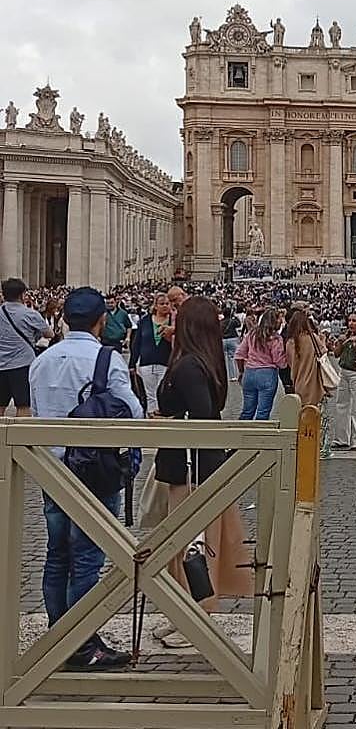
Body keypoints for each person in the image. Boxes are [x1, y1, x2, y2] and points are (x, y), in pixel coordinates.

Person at [28, 286, 143, 669]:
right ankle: (82, 643)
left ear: (63, 319)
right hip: (94, 471)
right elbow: (133, 414)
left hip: (51, 469)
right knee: (88, 558)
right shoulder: (105, 359)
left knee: (57, 554)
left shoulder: (41, 361)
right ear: (101, 321)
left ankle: (60, 633)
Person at [152, 296, 254, 648]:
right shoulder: (196, 362)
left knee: (195, 545)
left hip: (192, 465)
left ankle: (198, 615)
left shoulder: (192, 366)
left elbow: (203, 416)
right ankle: (183, 611)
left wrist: (168, 418)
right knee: (181, 544)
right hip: (187, 462)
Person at [284, 307, 334, 457]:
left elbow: (290, 364)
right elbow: (324, 352)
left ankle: (304, 442)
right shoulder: (312, 339)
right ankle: (321, 448)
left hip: (299, 383)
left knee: (303, 416)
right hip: (315, 384)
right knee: (320, 417)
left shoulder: (290, 343)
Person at [0, 278, 52, 417]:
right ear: (23, 295)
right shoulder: (30, 314)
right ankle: (20, 437)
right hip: (22, 364)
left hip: (1, 365)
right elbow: (49, 334)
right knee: (23, 405)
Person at [234, 306, 287, 420]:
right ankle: (258, 436)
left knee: (247, 411)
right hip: (267, 374)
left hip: (249, 373)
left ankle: (239, 434)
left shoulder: (251, 334)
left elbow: (239, 354)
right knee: (263, 413)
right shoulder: (276, 339)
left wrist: (241, 372)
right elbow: (279, 361)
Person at [128, 292, 173, 414]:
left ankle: (162, 414)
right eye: (162, 304)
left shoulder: (173, 322)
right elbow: (136, 343)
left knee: (162, 392)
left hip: (165, 362)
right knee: (150, 394)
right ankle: (151, 417)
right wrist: (132, 363)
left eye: (167, 304)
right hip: (147, 362)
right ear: (156, 306)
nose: (165, 306)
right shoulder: (145, 321)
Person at [332, 312, 356, 451]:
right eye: (349, 320)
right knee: (341, 405)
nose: (351, 323)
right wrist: (341, 342)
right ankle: (341, 438)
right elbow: (336, 354)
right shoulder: (346, 335)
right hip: (344, 371)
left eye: (354, 321)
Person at [221, 303, 242, 381]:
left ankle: (222, 376)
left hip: (223, 340)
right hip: (232, 339)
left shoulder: (221, 322)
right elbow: (239, 324)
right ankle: (232, 376)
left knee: (221, 359)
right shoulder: (232, 321)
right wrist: (234, 316)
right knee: (231, 358)